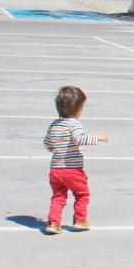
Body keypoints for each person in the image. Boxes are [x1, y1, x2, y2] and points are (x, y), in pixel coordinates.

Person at [44, 86, 108, 235]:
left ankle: (53, 223)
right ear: (79, 109)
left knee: (58, 196)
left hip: (55, 170)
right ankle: (80, 220)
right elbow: (80, 139)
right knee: (82, 195)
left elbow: (47, 143)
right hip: (72, 170)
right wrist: (99, 137)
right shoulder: (75, 124)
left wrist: (54, 149)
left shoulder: (54, 124)